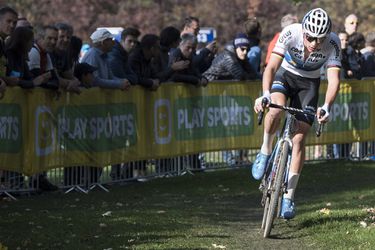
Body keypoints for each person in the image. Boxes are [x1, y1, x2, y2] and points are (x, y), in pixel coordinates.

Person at [252, 8, 341, 219]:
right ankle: (265, 150)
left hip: (309, 83)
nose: (314, 43)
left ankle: (289, 197)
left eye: (320, 39)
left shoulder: (333, 42)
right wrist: (264, 94)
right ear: (303, 31)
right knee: (274, 110)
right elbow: (271, 66)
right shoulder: (291, 32)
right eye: (310, 37)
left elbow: (334, 79)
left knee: (299, 139)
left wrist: (327, 106)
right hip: (286, 75)